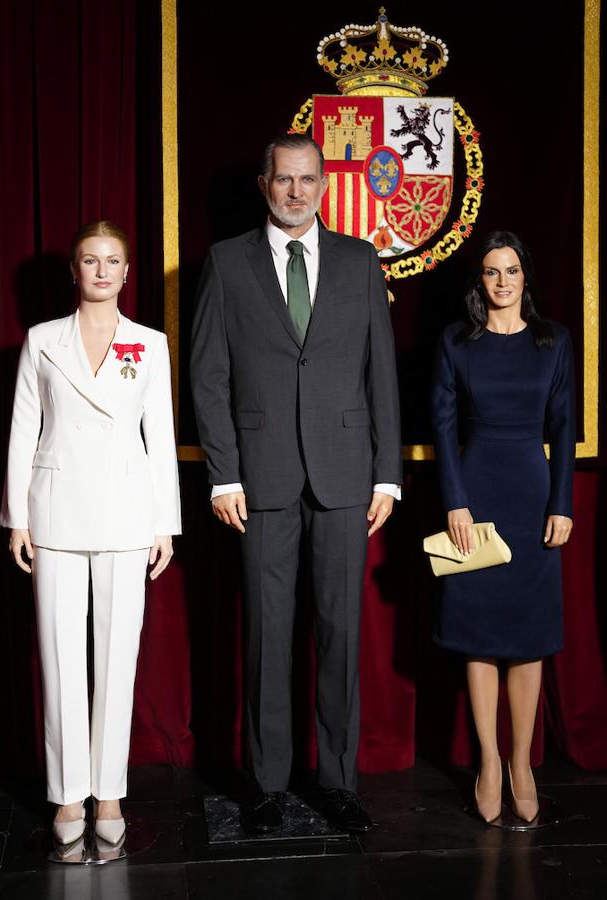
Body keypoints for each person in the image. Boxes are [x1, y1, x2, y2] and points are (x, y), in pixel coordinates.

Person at [190, 133, 402, 834]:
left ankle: (339, 783)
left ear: (322, 184)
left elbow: (382, 373)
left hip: (346, 477)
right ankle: (267, 784)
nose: (296, 191)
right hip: (262, 479)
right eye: (284, 180)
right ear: (263, 184)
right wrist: (224, 473)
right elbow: (208, 375)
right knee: (267, 635)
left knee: (341, 633)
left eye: (308, 179)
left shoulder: (359, 260)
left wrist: (388, 474)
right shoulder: (226, 263)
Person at [0, 220, 181, 849]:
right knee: (59, 656)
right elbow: (24, 429)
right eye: (89, 259)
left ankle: (109, 792)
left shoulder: (150, 344)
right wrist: (16, 516)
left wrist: (166, 522)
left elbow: (160, 435)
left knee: (117, 658)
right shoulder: (42, 340)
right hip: (54, 510)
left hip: (129, 513)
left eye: (112, 261)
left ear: (128, 273)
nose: (101, 270)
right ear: (73, 270)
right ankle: (67, 793)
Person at [431, 231, 575, 824]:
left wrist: (561, 503)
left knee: (528, 637)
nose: (503, 281)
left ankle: (522, 761)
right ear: (480, 281)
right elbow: (442, 427)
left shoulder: (554, 341)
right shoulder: (455, 343)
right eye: (492, 272)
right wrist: (455, 503)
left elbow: (564, 427)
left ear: (525, 277)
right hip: (476, 492)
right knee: (479, 633)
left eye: (512, 270)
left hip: (533, 495)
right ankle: (488, 760)